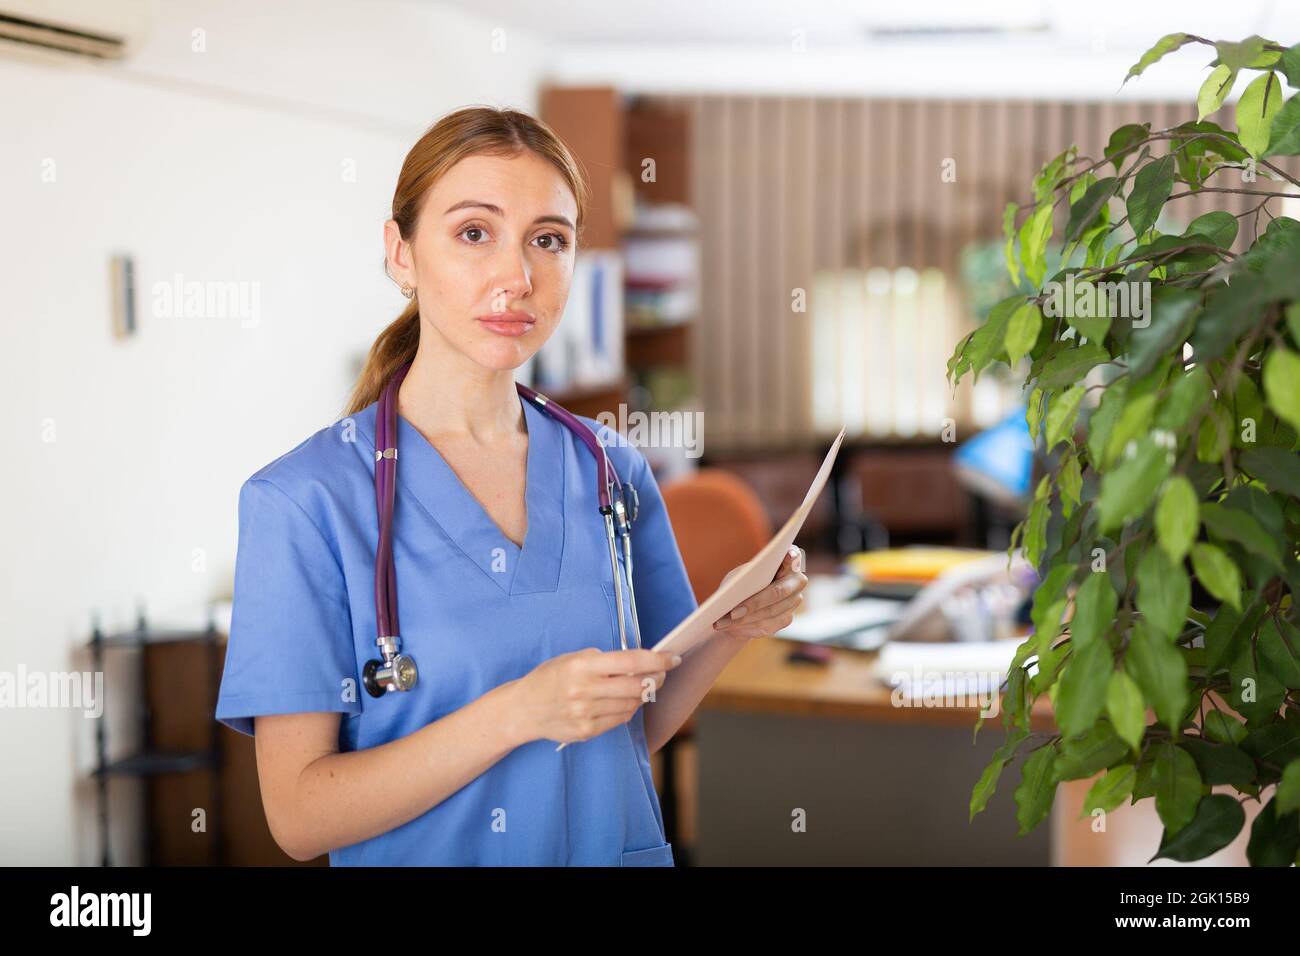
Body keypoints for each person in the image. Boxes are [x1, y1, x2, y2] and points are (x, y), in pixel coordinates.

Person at [214, 105, 808, 866]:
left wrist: (731, 624)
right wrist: (517, 713)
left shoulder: (610, 470)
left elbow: (632, 730)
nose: (517, 277)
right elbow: (299, 816)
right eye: (473, 233)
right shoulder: (304, 503)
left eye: (549, 240)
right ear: (401, 254)